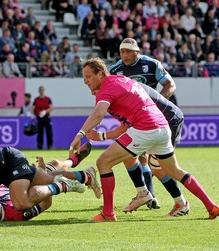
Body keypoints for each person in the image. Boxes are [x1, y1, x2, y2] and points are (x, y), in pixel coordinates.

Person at [69, 57, 219, 222]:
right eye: (84, 77)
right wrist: (102, 136)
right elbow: (125, 126)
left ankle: (109, 213)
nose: (85, 80)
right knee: (174, 171)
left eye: (88, 76)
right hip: (162, 128)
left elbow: (98, 114)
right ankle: (211, 206)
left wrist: (79, 135)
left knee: (103, 162)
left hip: (145, 128)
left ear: (100, 73)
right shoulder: (122, 80)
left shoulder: (107, 88)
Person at [87, 82, 190, 216]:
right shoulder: (123, 84)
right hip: (150, 123)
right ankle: (145, 193)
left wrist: (101, 136)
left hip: (166, 121)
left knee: (158, 169)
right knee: (130, 157)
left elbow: (170, 84)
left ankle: (180, 203)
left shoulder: (121, 89)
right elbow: (126, 125)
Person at [108, 38, 178, 209]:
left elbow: (170, 84)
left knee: (158, 164)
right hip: (134, 119)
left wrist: (158, 102)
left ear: (137, 52)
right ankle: (153, 196)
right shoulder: (115, 70)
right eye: (122, 51)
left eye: (128, 51)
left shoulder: (152, 64)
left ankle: (166, 198)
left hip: (155, 118)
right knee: (140, 157)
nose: (124, 55)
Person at [0, 150, 98, 221]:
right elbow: (45, 204)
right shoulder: (17, 213)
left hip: (18, 179)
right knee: (52, 170)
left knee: (52, 166)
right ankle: (80, 175)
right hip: (28, 185)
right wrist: (42, 175)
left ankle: (74, 161)